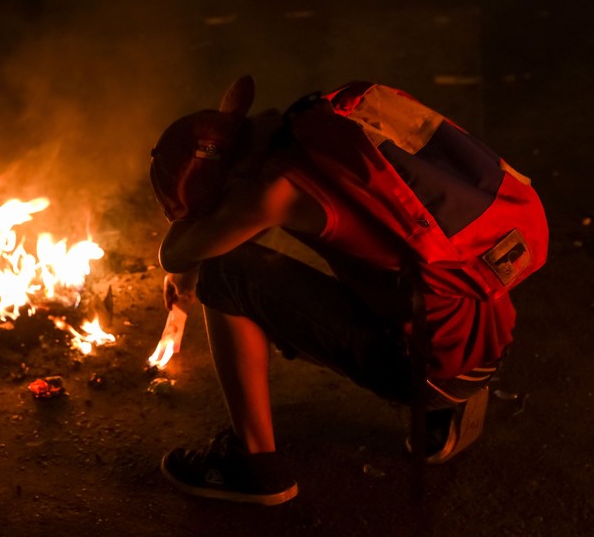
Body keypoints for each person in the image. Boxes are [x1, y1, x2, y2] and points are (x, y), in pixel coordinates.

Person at [150, 76, 524, 506]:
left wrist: (195, 247)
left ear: (227, 185)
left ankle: (254, 466)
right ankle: (446, 411)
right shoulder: (327, 122)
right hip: (489, 325)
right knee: (405, 266)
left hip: (426, 367)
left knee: (223, 272)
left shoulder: (276, 190)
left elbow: (176, 254)